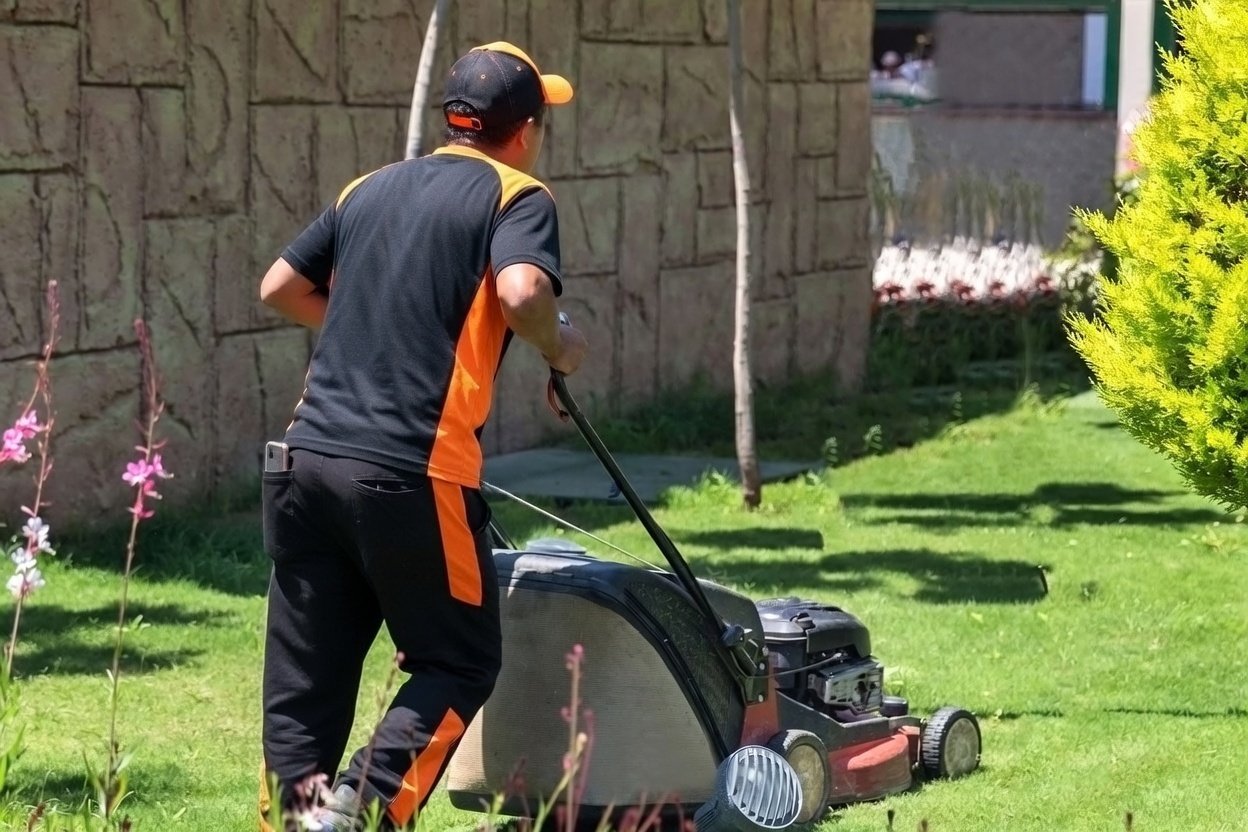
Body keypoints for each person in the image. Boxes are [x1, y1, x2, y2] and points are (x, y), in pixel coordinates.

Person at [254, 41, 587, 832]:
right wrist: (561, 347)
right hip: (411, 472)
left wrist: (371, 332)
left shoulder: (369, 187)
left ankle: (298, 821)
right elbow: (522, 291)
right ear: (525, 131)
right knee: (459, 658)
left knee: (306, 684)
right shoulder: (517, 196)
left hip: (303, 463)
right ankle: (362, 808)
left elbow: (280, 286)